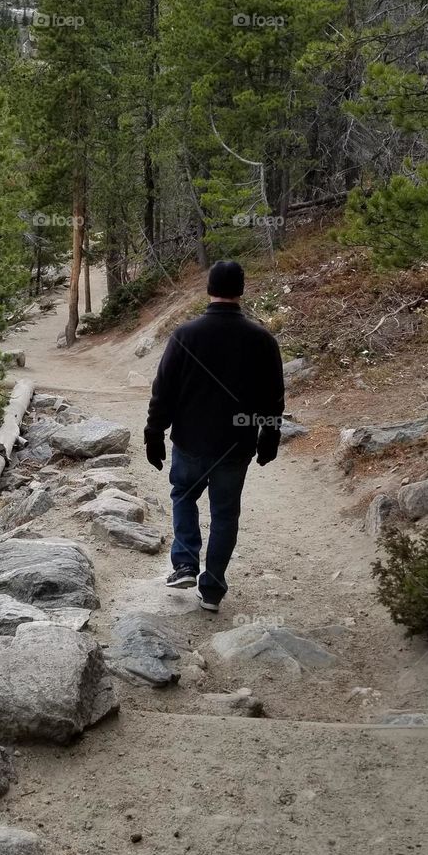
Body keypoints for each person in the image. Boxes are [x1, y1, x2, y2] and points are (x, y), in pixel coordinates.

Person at [143, 259, 284, 612]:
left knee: (183, 496)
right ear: (241, 290)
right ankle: (212, 589)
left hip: (190, 439)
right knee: (225, 514)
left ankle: (186, 563)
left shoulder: (185, 335)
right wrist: (270, 435)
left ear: (209, 289)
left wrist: (154, 431)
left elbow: (164, 390)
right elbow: (273, 395)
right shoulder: (262, 340)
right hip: (236, 445)